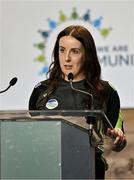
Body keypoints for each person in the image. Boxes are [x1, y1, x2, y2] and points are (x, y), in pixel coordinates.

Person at [29, 25, 127, 179]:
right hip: (47, 171)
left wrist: (117, 139)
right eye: (62, 50)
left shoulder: (107, 92)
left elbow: (116, 143)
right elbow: (31, 137)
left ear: (87, 55)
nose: (66, 58)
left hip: (89, 171)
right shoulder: (41, 90)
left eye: (74, 51)